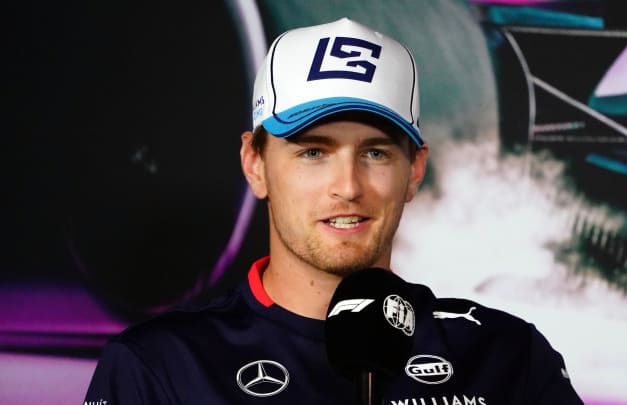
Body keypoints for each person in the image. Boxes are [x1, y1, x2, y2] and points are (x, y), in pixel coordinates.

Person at [84, 17, 584, 404]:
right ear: (255, 164)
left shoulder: (506, 356)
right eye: (313, 152)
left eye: (375, 152)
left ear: (414, 170)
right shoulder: (159, 365)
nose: (347, 187)